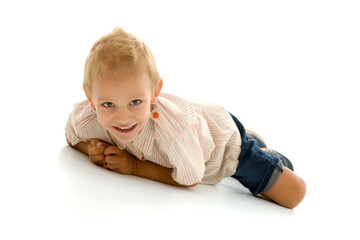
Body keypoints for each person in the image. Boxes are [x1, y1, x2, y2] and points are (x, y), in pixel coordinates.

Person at [65, 27, 306, 209]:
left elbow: (191, 179)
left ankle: (262, 151)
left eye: (135, 102)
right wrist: (91, 150)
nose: (123, 118)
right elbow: (71, 135)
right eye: (108, 104)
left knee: (293, 194)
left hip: (223, 148)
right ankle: (253, 139)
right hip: (197, 124)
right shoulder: (89, 116)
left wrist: (134, 166)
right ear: (90, 97)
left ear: (155, 93)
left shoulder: (173, 132)